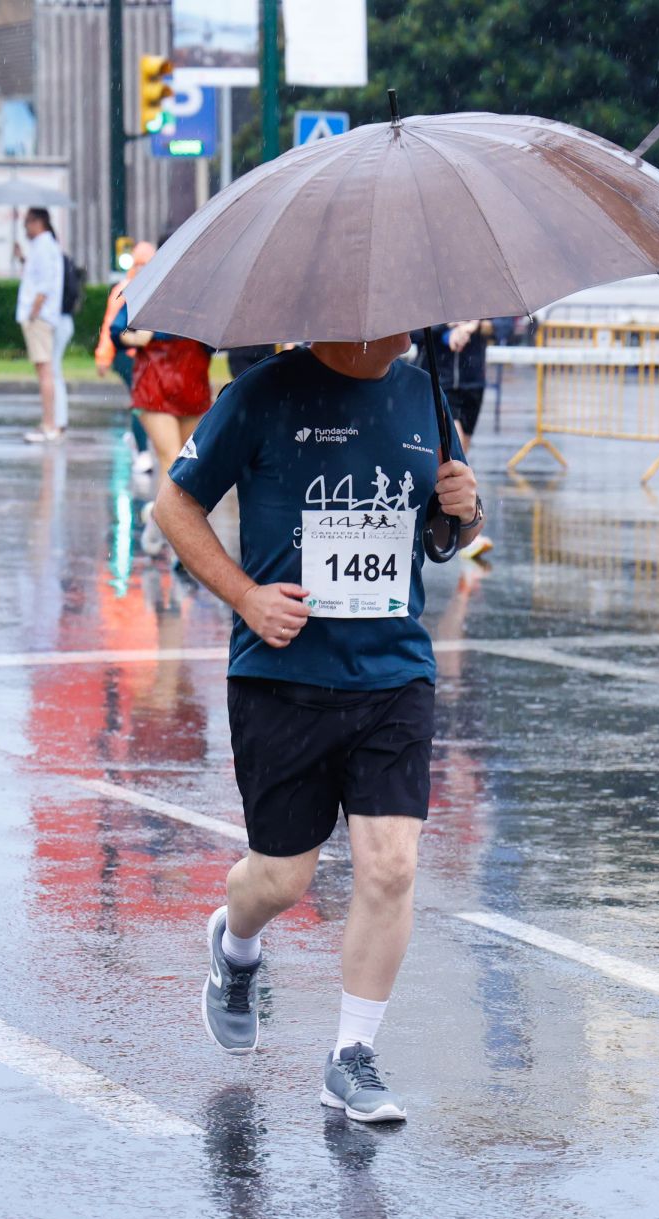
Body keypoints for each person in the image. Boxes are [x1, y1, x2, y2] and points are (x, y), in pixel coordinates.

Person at [155, 335, 485, 1125]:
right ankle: (235, 946)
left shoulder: (424, 394)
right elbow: (174, 504)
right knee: (283, 879)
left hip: (394, 673)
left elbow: (448, 540)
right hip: (283, 677)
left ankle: (352, 1056)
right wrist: (244, 596)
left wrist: (463, 510)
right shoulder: (264, 393)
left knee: (390, 867)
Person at [125, 302, 213, 556]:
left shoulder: (207, 299)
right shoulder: (154, 295)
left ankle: (159, 519)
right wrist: (138, 336)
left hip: (191, 384)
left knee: (188, 464)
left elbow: (213, 344)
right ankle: (173, 533)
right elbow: (118, 332)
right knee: (172, 459)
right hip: (156, 385)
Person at [417, 320, 498, 558]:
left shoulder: (482, 292)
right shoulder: (427, 291)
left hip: (472, 381)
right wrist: (446, 330)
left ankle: (458, 515)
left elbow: (504, 326)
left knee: (462, 455)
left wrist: (474, 325)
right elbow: (413, 333)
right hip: (438, 381)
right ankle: (458, 523)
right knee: (454, 451)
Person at [95, 240, 156, 473]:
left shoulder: (155, 288)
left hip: (145, 358)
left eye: (146, 264)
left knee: (143, 402)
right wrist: (103, 358)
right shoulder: (124, 289)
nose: (141, 268)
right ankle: (141, 451)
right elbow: (110, 325)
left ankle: (139, 442)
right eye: (138, 263)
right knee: (140, 401)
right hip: (126, 356)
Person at [17, 207, 72, 443]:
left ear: (38, 222)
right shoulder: (44, 246)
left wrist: (34, 310)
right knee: (47, 370)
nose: (25, 228)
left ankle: (49, 424)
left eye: (27, 223)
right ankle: (50, 422)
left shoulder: (44, 246)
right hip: (40, 315)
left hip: (39, 317)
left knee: (45, 370)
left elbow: (45, 283)